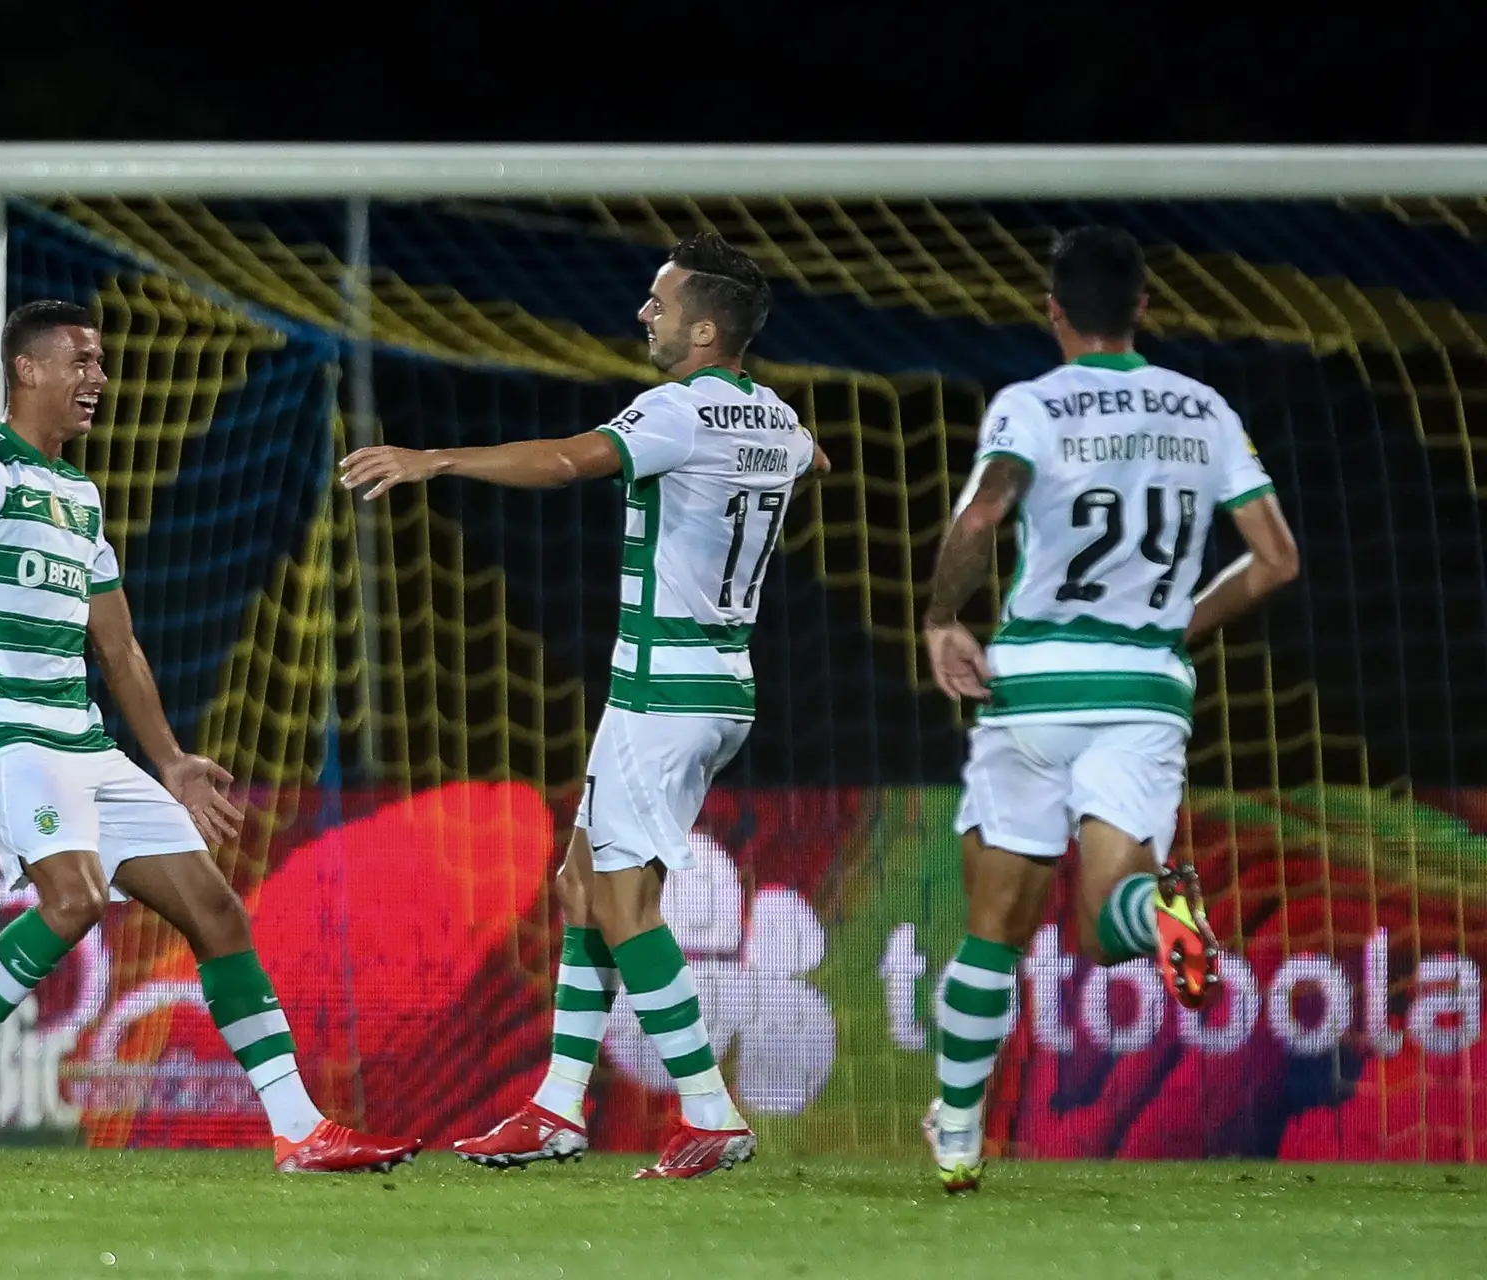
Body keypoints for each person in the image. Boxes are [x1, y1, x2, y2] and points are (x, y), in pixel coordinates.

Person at [340, 232, 828, 1179]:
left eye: (660, 300)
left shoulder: (679, 411)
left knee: (619, 899)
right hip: (716, 682)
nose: (644, 313)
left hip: (665, 685)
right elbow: (817, 465)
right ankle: (558, 1106)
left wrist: (434, 460)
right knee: (578, 884)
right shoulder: (777, 419)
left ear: (705, 324)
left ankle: (710, 1111)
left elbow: (567, 462)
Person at [0, 298, 422, 1174]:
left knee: (216, 912)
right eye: (81, 360)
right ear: (28, 370)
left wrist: (170, 760)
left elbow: (120, 644)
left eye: (100, 363)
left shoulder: (80, 495)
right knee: (73, 901)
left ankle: (300, 1130)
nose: (98, 378)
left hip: (81, 741)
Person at [919, 226, 1301, 1192]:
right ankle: (1164, 915)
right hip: (1141, 693)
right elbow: (1277, 557)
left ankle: (960, 1130)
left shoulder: (1031, 407)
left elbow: (979, 517)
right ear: (1142, 307)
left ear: (1054, 311)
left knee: (994, 923)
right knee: (1104, 925)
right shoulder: (1204, 410)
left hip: (1038, 684)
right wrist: (1178, 624)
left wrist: (940, 620)